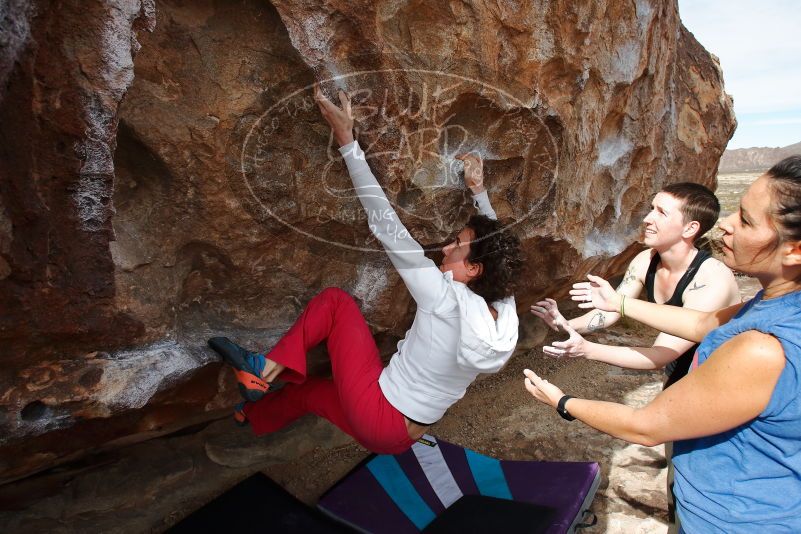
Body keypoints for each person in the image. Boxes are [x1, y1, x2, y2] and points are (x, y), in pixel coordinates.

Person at [208, 86, 522, 454]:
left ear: (473, 268)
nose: (447, 247)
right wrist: (478, 192)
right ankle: (251, 416)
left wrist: (347, 140)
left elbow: (385, 222)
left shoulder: (442, 296)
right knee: (309, 394)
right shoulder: (505, 316)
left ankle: (261, 370)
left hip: (379, 412)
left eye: (458, 245)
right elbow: (499, 254)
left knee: (335, 304)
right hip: (401, 438)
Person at [524, 155, 801, 533]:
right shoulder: (772, 302)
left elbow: (646, 425)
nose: (726, 224)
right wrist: (586, 316)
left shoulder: (761, 346)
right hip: (715, 480)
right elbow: (700, 323)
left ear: (795, 250)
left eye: (746, 220)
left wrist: (561, 400)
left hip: (733, 519)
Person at [531, 182, 740, 388]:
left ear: (690, 228)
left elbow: (659, 355)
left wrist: (586, 349)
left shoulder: (711, 280)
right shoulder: (645, 260)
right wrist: (567, 324)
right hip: (680, 367)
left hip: (723, 376)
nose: (647, 219)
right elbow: (610, 312)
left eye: (661, 213)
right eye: (651, 209)